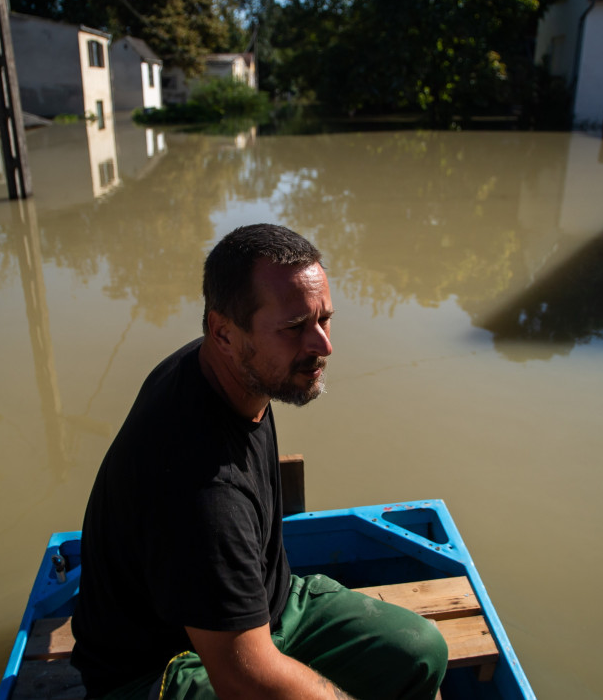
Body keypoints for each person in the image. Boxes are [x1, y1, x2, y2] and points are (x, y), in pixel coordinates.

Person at [71, 224, 447, 700]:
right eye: (293, 328)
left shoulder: (231, 369)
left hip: (271, 607)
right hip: (164, 665)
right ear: (223, 332)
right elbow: (243, 676)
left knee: (420, 650)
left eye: (324, 319)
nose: (322, 345)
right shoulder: (204, 491)